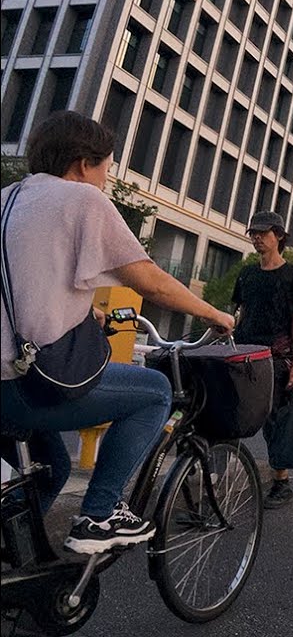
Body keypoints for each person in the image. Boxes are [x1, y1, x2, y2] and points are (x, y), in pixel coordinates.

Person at [0, 111, 234, 553]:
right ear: (84, 163)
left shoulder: (8, 199)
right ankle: (99, 516)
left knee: (51, 467)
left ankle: (17, 561)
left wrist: (90, 317)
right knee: (154, 392)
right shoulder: (81, 200)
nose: (107, 180)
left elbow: (30, 286)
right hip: (26, 387)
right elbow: (148, 280)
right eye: (107, 168)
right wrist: (213, 313)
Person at [230, 210, 293, 509]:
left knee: (276, 419)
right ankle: (217, 480)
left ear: (278, 235)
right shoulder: (247, 273)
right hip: (242, 354)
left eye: (262, 233)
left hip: (277, 358)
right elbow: (238, 312)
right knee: (230, 413)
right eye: (253, 233)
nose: (256, 238)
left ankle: (282, 481)